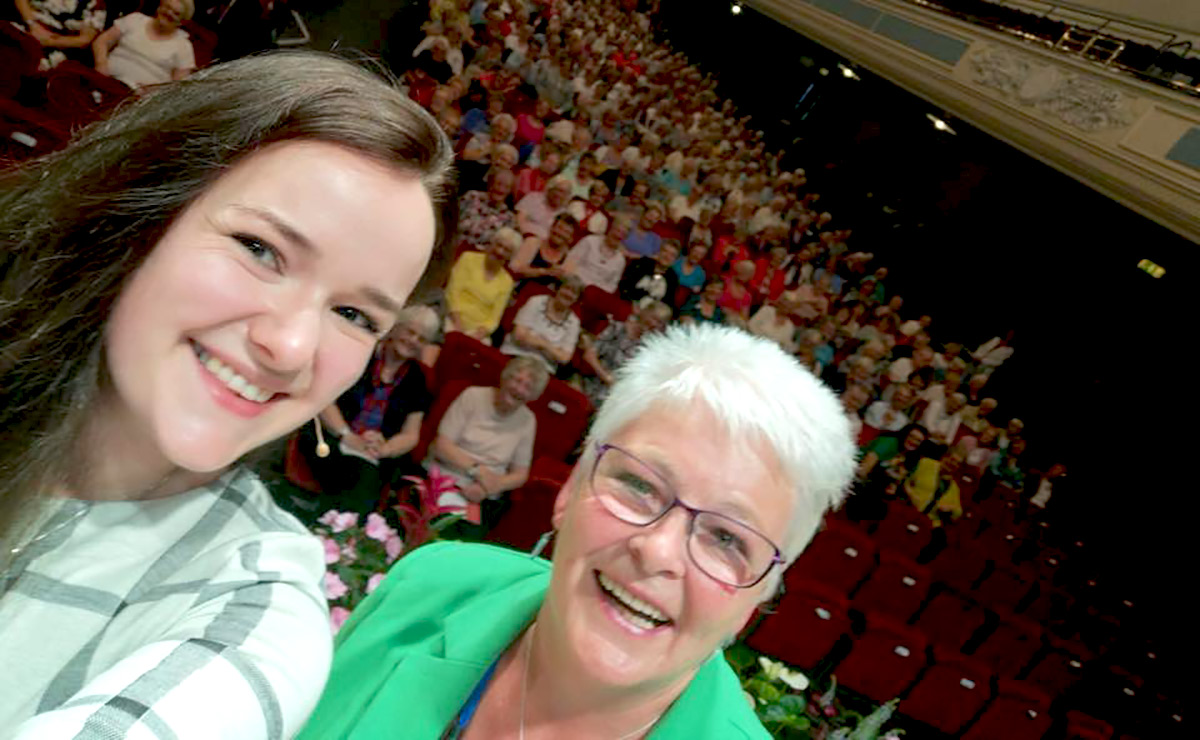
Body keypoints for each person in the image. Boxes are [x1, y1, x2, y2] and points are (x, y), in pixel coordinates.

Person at [0, 51, 457, 737]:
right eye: (262, 249)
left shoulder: (256, 608)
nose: (293, 347)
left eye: (356, 316)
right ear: (142, 211)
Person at [295, 324, 856, 740]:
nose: (658, 551)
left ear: (757, 597)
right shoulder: (431, 582)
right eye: (639, 485)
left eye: (728, 539)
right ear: (569, 488)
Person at [301, 307, 438, 515]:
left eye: (421, 338)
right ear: (395, 327)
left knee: (365, 476)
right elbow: (325, 397)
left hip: (374, 454)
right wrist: (346, 435)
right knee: (358, 478)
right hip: (332, 438)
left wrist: (387, 449)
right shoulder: (363, 352)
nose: (413, 340)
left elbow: (411, 435)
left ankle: (333, 530)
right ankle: (339, 533)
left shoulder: (417, 380)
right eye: (410, 332)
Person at [427, 355, 546, 520]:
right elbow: (442, 445)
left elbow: (520, 474)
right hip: (444, 476)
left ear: (533, 395)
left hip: (482, 494)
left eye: (528, 387)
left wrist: (491, 486)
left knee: (462, 541)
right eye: (517, 381)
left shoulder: (528, 420)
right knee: (426, 526)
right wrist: (478, 471)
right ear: (505, 378)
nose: (519, 389)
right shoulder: (473, 396)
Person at [578, 300, 672, 405]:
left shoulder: (647, 351)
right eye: (653, 318)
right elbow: (589, 356)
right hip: (589, 381)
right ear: (645, 312)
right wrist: (607, 377)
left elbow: (633, 383)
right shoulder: (617, 328)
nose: (654, 324)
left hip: (612, 397)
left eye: (659, 322)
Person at [92, 0, 196, 89]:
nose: (169, 13)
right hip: (106, 81)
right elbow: (101, 41)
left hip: (140, 100)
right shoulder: (135, 19)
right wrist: (101, 64)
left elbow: (178, 87)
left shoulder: (184, 46)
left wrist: (153, 93)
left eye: (176, 13)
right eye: (167, 7)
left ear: (182, 21)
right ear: (160, 6)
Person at [444, 226, 520, 341]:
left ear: (510, 256)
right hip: (451, 317)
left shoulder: (507, 282)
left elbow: (495, 318)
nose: (500, 251)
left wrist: (478, 334)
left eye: (506, 250)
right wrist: (458, 326)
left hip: (478, 332)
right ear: (491, 244)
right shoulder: (468, 258)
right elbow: (452, 293)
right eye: (499, 245)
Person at [500, 277, 583, 374]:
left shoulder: (574, 322)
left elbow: (565, 358)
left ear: (577, 299)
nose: (568, 294)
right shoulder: (536, 301)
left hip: (544, 367)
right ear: (558, 288)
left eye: (574, 292)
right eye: (566, 288)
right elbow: (519, 335)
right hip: (517, 353)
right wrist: (552, 349)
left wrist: (541, 343)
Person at [562, 213, 629, 293]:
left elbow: (612, 286)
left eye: (623, 234)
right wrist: (577, 284)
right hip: (572, 286)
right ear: (610, 229)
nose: (618, 235)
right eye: (617, 230)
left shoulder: (620, 260)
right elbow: (570, 262)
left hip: (594, 296)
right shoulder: (590, 241)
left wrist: (595, 293)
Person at [904, 445, 967, 527]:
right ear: (944, 457)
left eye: (958, 464)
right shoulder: (926, 463)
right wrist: (911, 494)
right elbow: (906, 481)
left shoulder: (954, 487)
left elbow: (958, 512)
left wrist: (951, 508)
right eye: (952, 459)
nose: (953, 464)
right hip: (909, 509)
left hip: (929, 523)